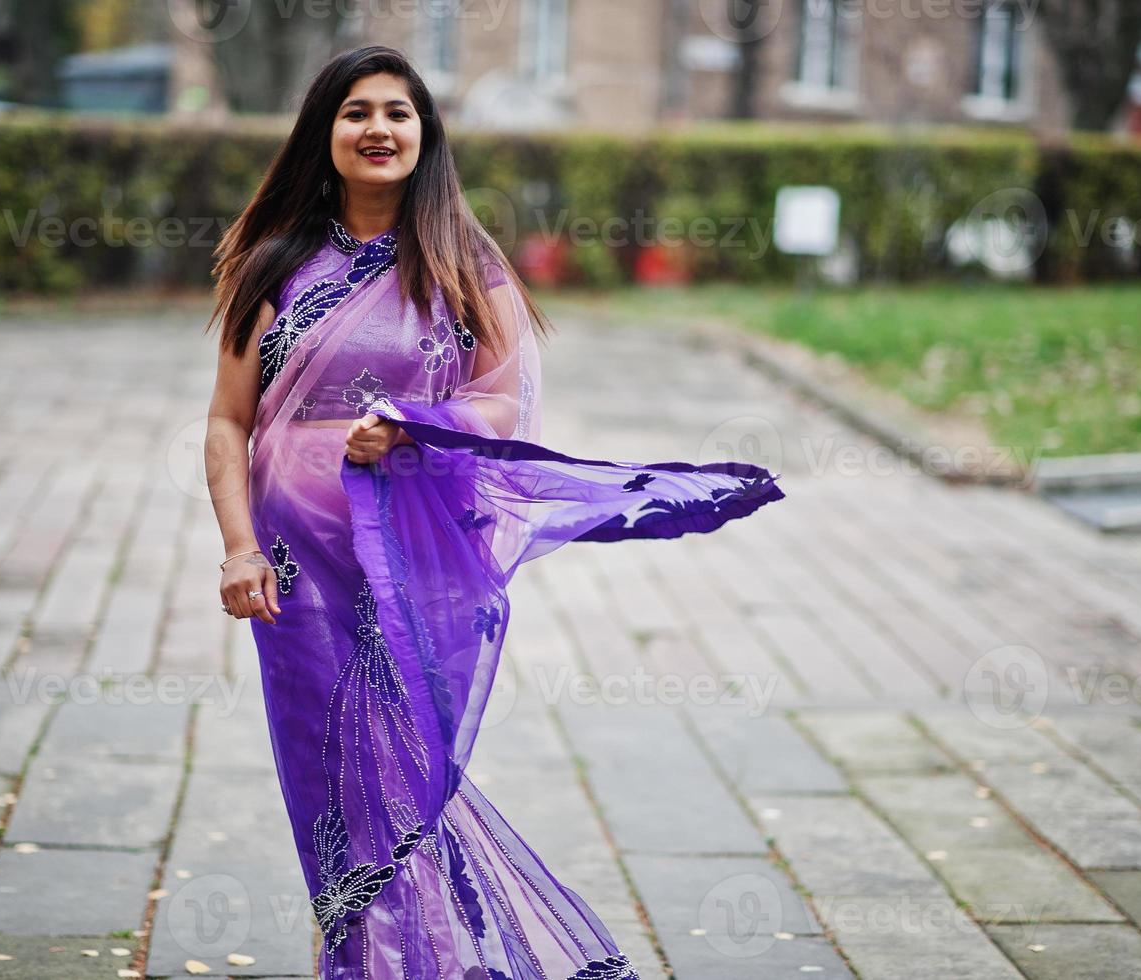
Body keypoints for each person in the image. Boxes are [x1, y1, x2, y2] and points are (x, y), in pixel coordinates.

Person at [202, 44, 784, 979]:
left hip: (412, 562)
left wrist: (408, 427)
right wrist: (237, 548)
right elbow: (229, 423)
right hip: (296, 573)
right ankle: (366, 959)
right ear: (325, 132)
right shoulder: (273, 262)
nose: (378, 128)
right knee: (328, 786)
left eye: (398, 111)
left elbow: (500, 405)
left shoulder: (460, 264)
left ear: (424, 134)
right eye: (356, 112)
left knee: (401, 785)